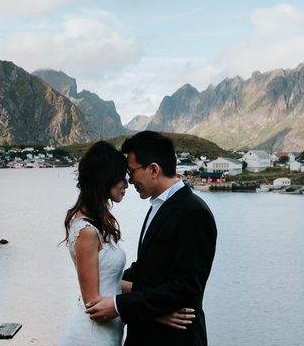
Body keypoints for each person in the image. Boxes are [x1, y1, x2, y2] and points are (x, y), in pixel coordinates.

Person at [85, 131, 217, 346]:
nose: (129, 180)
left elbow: (186, 286)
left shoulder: (194, 212)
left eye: (132, 172)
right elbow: (148, 269)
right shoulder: (158, 205)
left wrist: (119, 306)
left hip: (174, 338)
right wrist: (109, 280)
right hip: (145, 334)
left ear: (154, 169)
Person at [59, 140, 195, 345]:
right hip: (92, 336)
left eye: (128, 175)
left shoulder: (97, 222)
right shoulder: (85, 231)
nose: (127, 183)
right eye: (121, 177)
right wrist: (156, 314)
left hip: (108, 333)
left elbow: (111, 282)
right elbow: (93, 304)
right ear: (105, 179)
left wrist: (158, 302)